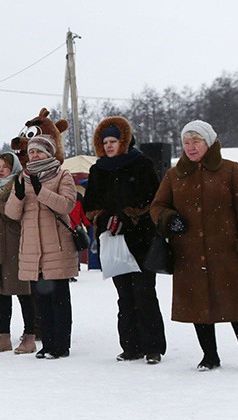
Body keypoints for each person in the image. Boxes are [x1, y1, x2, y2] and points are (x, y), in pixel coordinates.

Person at [150, 120, 238, 371]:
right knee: (198, 306)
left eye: (196, 141)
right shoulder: (174, 175)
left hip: (228, 253)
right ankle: (210, 356)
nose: (191, 147)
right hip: (189, 254)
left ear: (209, 142)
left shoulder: (231, 170)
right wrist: (169, 219)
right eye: (186, 142)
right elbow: (157, 207)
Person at [84, 117, 166, 364]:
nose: (109, 146)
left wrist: (129, 217)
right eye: (105, 141)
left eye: (114, 141)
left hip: (140, 240)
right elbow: (90, 204)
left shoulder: (141, 164)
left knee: (144, 294)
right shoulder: (98, 170)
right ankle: (131, 346)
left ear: (124, 142)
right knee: (125, 296)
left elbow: (153, 197)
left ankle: (153, 347)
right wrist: (104, 219)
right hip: (113, 240)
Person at [5, 135, 78, 359]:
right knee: (42, 302)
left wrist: (41, 192)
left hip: (57, 248)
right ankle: (47, 344)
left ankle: (61, 345)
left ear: (50, 153)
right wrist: (17, 197)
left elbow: (67, 204)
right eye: (32, 152)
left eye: (39, 152)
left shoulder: (62, 174)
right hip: (32, 249)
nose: (34, 156)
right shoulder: (22, 178)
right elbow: (11, 213)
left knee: (59, 300)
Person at [0, 154, 37, 354]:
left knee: (22, 291)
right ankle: (4, 336)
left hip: (14, 243)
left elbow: (15, 214)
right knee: (1, 293)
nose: (1, 170)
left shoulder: (19, 185)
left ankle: (30, 335)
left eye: (5, 166)